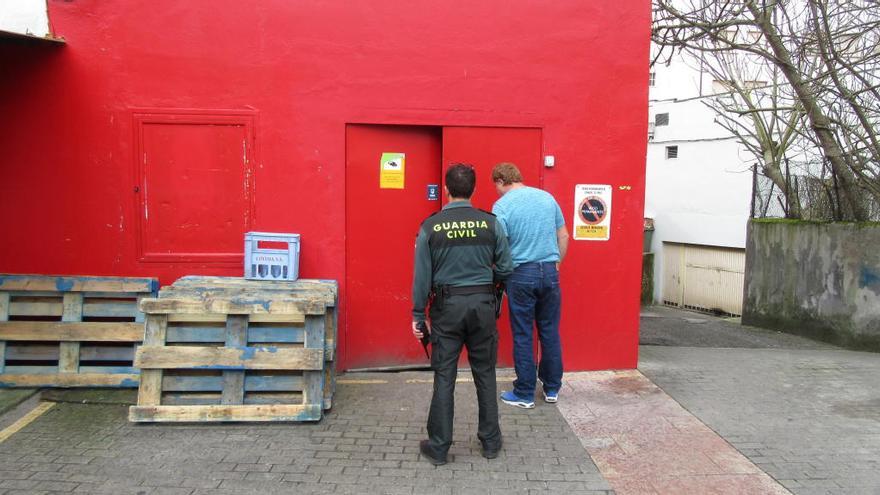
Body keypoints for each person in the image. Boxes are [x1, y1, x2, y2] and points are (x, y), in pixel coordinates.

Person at [411, 163, 513, 466]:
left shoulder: (431, 226)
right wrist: (491, 290)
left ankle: (439, 447)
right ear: (474, 189)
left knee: (445, 376)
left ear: (446, 189)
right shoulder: (491, 224)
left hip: (447, 309)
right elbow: (506, 268)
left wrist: (419, 314)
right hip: (482, 306)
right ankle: (491, 443)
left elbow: (422, 277)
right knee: (485, 373)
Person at [491, 162, 568, 409]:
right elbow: (564, 236)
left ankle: (524, 393)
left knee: (523, 333)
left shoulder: (502, 205)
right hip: (549, 271)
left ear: (502, 181)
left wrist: (499, 271)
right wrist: (556, 264)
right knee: (549, 330)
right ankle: (552, 388)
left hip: (521, 273)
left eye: (496, 186)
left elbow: (499, 244)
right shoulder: (547, 198)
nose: (497, 191)